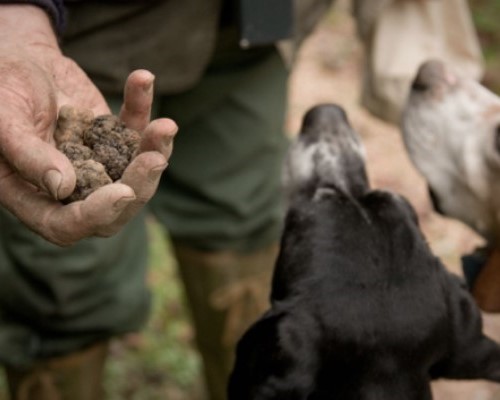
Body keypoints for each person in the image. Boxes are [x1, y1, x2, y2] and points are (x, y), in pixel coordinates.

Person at [0, 1, 333, 399]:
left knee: (241, 220)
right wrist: (17, 13)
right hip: (80, 38)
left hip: (251, 27)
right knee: (62, 284)